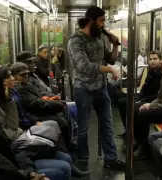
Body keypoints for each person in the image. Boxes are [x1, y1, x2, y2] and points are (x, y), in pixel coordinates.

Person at [67, 6, 125, 171]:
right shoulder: (75, 40)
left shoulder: (99, 38)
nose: (103, 24)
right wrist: (110, 70)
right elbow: (84, 66)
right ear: (91, 21)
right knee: (83, 127)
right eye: (101, 20)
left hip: (100, 87)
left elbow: (111, 60)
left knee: (107, 124)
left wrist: (115, 46)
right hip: (83, 88)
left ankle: (111, 158)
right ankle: (83, 160)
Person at [117, 50, 162, 138]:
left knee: (135, 108)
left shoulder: (161, 74)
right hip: (144, 97)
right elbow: (144, 87)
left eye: (155, 59)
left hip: (152, 99)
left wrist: (142, 100)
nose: (152, 61)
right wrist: (140, 97)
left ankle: (137, 136)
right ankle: (128, 130)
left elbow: (158, 93)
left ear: (160, 60)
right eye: (150, 59)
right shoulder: (151, 71)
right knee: (122, 102)